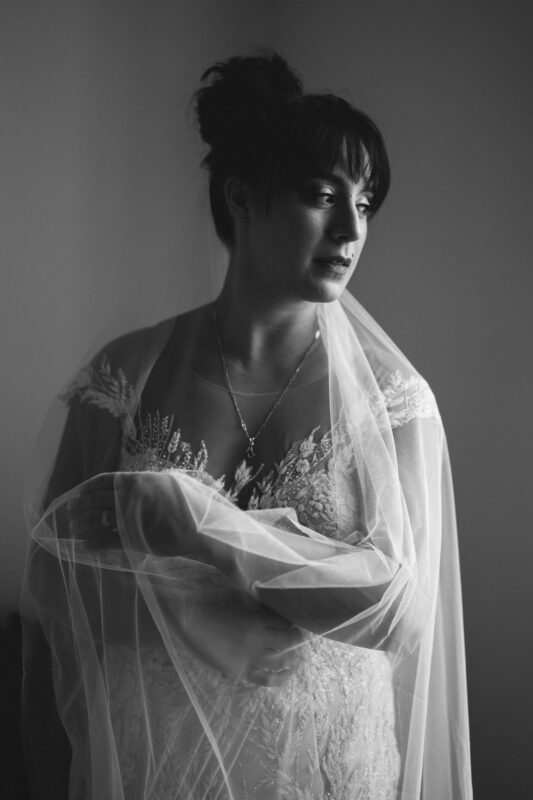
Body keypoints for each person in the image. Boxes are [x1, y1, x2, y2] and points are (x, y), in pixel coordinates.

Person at [21, 51, 472, 799]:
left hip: (324, 772)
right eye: (321, 195)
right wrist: (191, 614)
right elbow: (50, 574)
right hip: (156, 766)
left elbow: (401, 613)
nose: (348, 228)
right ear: (241, 197)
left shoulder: (392, 397)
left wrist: (196, 525)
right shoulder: (124, 377)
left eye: (364, 204)